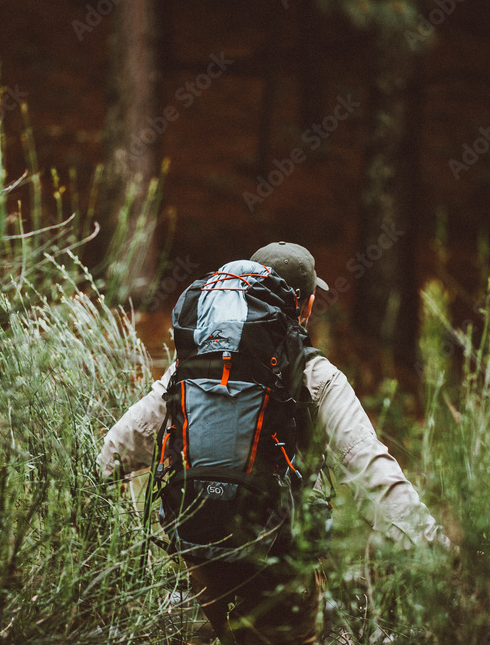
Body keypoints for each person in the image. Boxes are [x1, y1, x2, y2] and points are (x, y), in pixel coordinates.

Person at [98, 242, 451, 644]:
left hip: (197, 566)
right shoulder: (317, 375)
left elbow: (115, 453)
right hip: (277, 574)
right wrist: (435, 554)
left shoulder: (190, 367)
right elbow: (373, 473)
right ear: (307, 305)